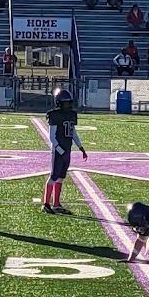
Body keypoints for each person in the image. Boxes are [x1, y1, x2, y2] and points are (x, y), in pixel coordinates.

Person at [42, 84, 87, 213]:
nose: (68, 105)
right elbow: (52, 136)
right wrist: (61, 151)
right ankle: (46, 204)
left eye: (69, 103)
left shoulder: (72, 115)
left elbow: (73, 133)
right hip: (58, 150)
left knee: (61, 177)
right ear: (59, 103)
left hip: (67, 149)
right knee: (54, 176)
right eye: (65, 103)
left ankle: (56, 204)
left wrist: (80, 147)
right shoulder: (54, 115)